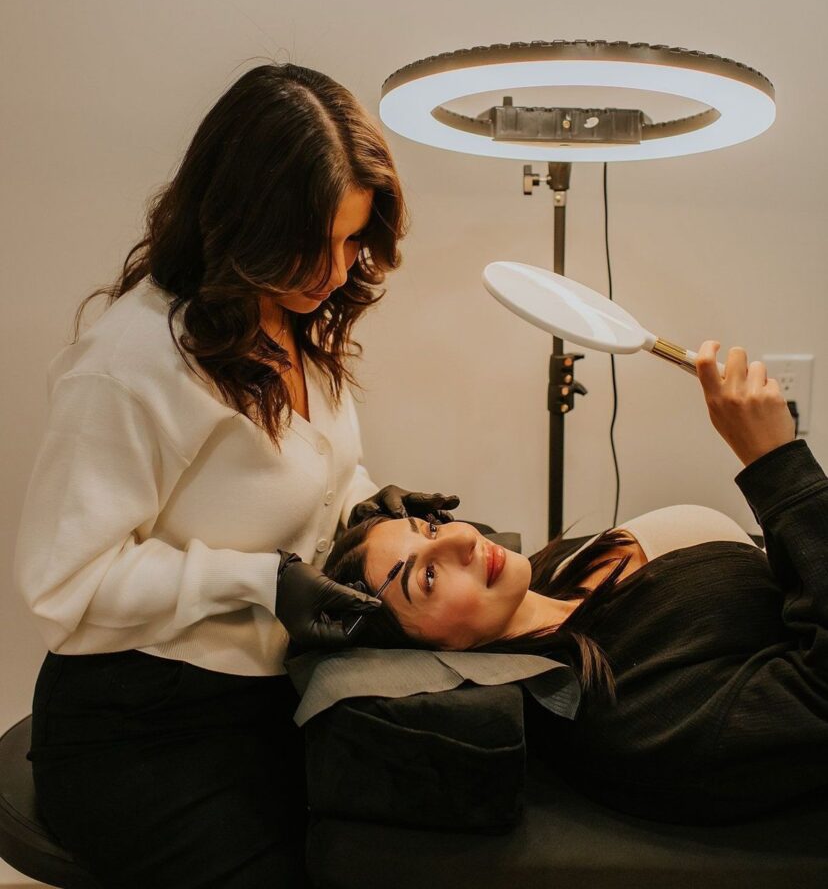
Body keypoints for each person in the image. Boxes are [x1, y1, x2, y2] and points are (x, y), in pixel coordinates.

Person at [12, 62, 459, 889]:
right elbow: (63, 588)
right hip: (140, 728)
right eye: (313, 244)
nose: (335, 271)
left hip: (266, 697)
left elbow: (295, 475)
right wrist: (262, 582)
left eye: (351, 240)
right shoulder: (129, 367)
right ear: (244, 219)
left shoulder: (289, 314)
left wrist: (364, 501)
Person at [323, 340, 828, 825]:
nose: (461, 538)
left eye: (430, 526)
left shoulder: (555, 573)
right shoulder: (628, 711)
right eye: (428, 576)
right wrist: (775, 465)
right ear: (428, 653)